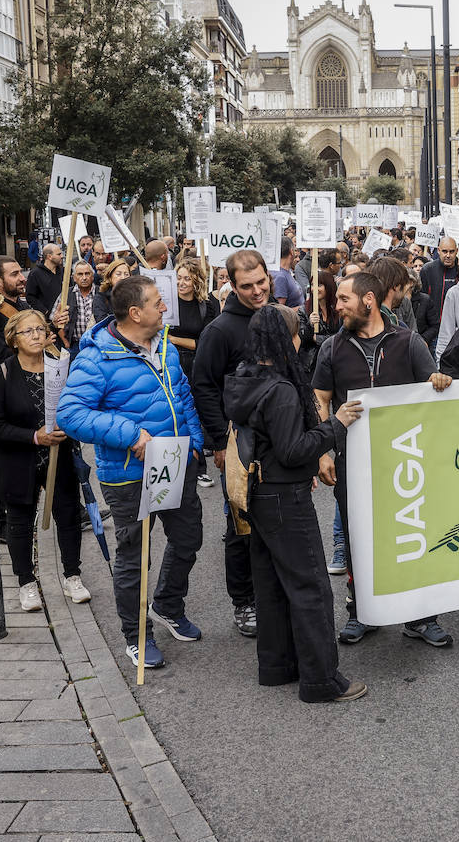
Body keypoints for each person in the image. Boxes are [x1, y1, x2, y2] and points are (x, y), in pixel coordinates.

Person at [58, 276, 205, 670]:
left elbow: (181, 394)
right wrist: (129, 435)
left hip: (175, 461)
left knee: (189, 538)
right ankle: (137, 635)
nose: (166, 308)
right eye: (159, 302)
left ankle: (168, 605)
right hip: (129, 474)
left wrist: (195, 444)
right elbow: (70, 415)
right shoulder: (96, 357)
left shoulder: (165, 346)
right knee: (135, 557)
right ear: (136, 312)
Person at [223, 304, 368, 704]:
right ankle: (322, 680)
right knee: (310, 587)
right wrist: (334, 425)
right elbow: (292, 450)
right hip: (284, 495)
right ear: (289, 338)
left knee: (270, 583)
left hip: (258, 493)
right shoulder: (282, 390)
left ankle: (276, 665)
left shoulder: (244, 376)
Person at [312, 271, 456, 648]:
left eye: (344, 299)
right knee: (360, 538)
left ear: (369, 300)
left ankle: (420, 616)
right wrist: (323, 450)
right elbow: (321, 398)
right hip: (351, 462)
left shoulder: (409, 343)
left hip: (406, 460)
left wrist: (438, 382)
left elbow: (431, 390)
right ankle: (363, 612)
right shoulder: (331, 347)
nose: (337, 305)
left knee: (413, 534)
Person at [0, 309, 88, 613]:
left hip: (60, 455)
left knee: (67, 516)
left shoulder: (59, 367)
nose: (36, 335)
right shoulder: (2, 374)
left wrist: (70, 426)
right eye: (28, 331)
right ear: (13, 339)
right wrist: (33, 436)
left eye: (40, 329)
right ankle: (27, 582)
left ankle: (72, 575)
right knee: (20, 522)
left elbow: (78, 406)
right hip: (17, 460)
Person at [192, 250, 272, 638]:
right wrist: (219, 442)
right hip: (237, 443)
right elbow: (204, 386)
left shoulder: (275, 318)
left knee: (277, 523)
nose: (257, 291)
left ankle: (272, 595)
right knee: (240, 525)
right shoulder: (220, 330)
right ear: (231, 285)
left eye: (261, 282)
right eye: (247, 286)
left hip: (277, 442)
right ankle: (244, 602)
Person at [167, 260, 220, 489]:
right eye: (178, 278)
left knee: (194, 417)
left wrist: (173, 340)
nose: (181, 283)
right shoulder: (167, 303)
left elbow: (205, 343)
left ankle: (199, 469)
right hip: (169, 364)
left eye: (187, 278)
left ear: (197, 279)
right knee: (174, 417)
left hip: (196, 365)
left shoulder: (207, 305)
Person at [418, 236, 459, 347]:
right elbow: (421, 301)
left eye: (451, 252)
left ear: (456, 251)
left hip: (458, 331)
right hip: (433, 333)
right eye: (444, 251)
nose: (448, 255)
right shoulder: (428, 270)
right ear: (438, 250)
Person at [62, 262, 99, 348]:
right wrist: (66, 343)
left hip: (97, 344)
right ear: (74, 278)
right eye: (80, 274)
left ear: (92, 276)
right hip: (75, 345)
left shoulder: (101, 292)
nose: (84, 278)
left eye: (87, 274)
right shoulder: (66, 294)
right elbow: (56, 320)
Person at [26, 244, 65, 316]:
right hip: (47, 319)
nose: (62, 256)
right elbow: (30, 297)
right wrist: (45, 311)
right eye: (59, 254)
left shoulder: (64, 271)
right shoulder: (35, 273)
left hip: (65, 316)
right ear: (49, 256)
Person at [274, 236, 305, 308]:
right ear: (291, 251)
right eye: (295, 249)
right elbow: (279, 312)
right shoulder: (280, 277)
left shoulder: (286, 273)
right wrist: (302, 309)